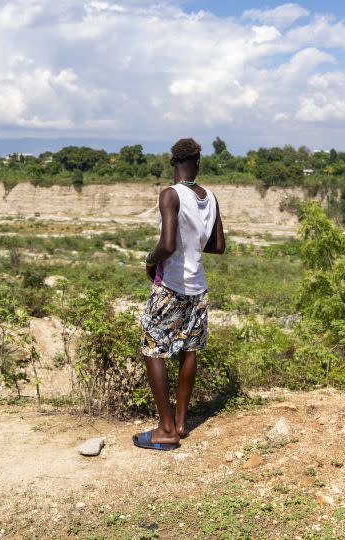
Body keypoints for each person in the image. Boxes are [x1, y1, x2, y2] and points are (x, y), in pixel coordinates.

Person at [133, 138, 225, 451]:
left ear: (173, 163)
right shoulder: (210, 197)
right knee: (189, 350)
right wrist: (195, 243)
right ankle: (182, 422)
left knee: (151, 346)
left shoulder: (170, 194)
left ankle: (166, 429)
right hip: (198, 289)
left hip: (171, 285)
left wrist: (149, 260)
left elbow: (167, 244)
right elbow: (218, 246)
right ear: (198, 163)